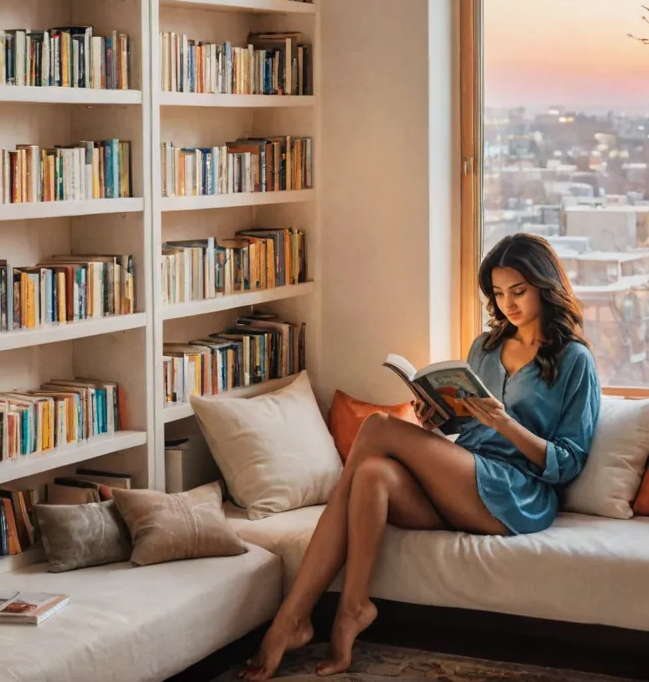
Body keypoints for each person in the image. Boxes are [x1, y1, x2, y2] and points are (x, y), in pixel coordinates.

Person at [242, 232, 601, 680]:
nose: (508, 303)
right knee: (372, 473)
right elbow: (465, 429)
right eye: (499, 292)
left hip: (517, 493)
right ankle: (352, 607)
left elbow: (568, 462)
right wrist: (436, 421)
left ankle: (290, 618)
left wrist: (505, 424)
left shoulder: (574, 361)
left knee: (376, 428)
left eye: (519, 291)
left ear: (545, 287)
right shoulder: (485, 348)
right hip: (463, 477)